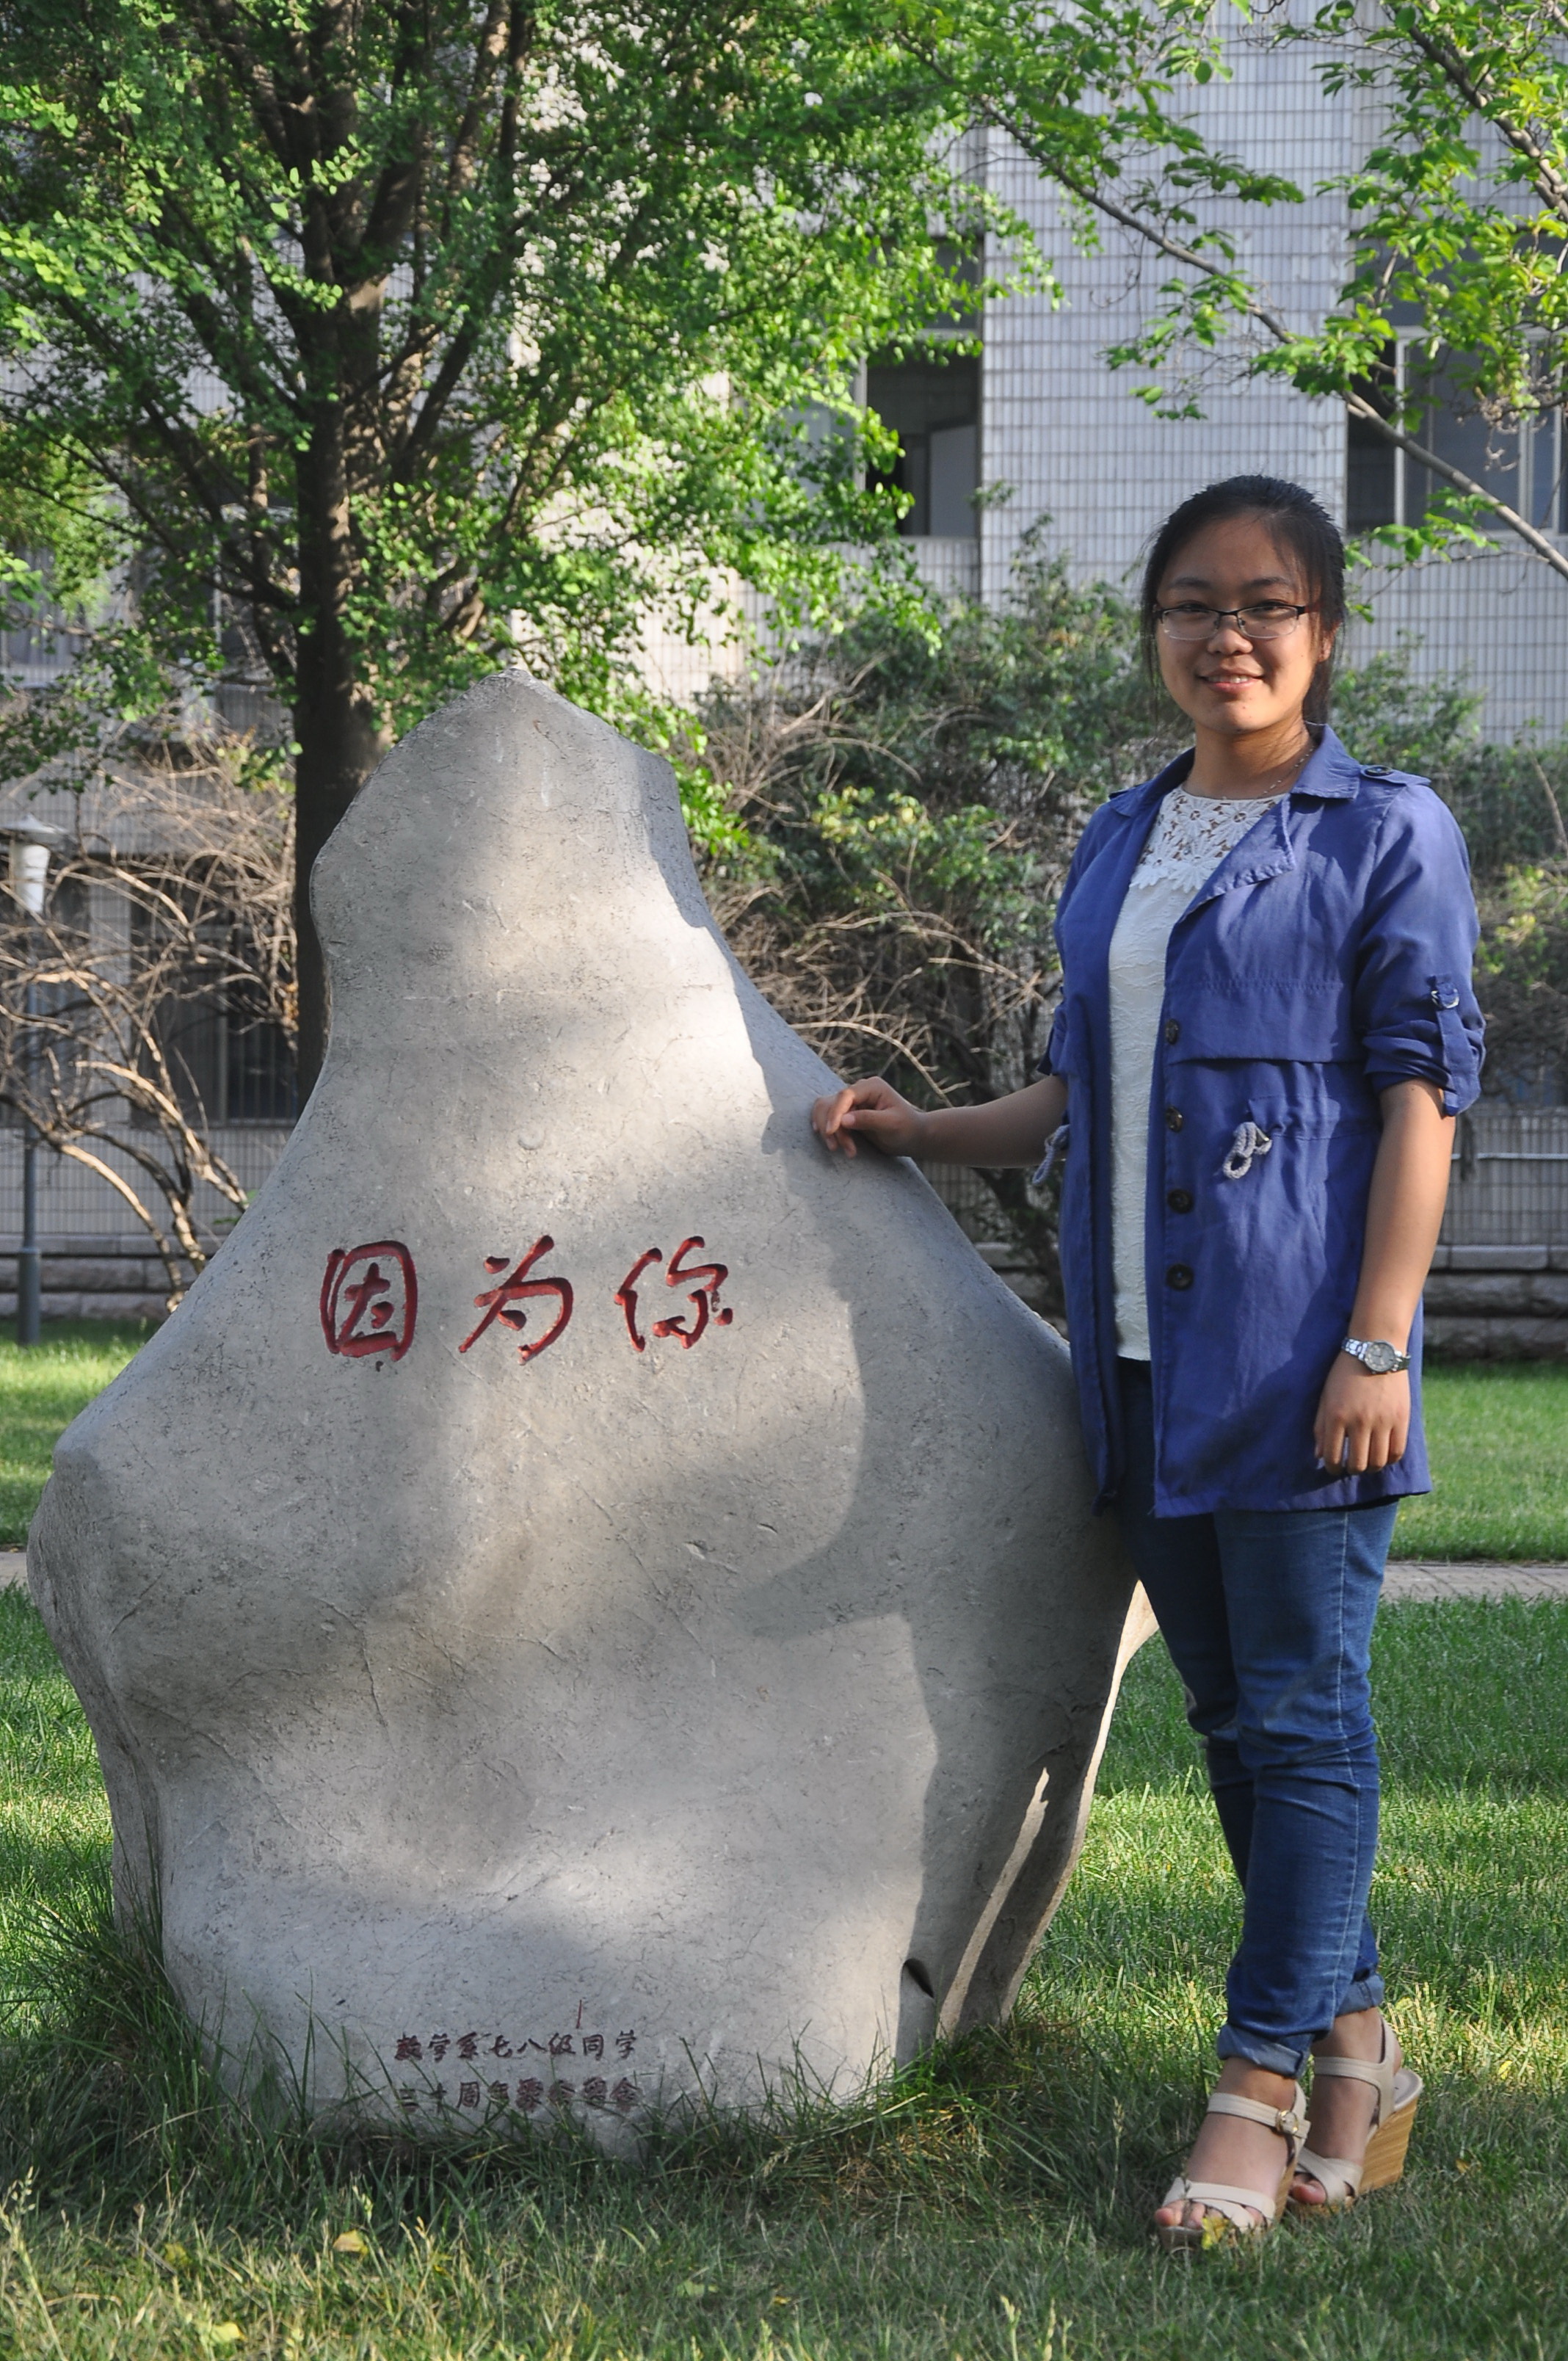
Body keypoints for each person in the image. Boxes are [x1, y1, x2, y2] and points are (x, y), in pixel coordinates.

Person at [810, 475, 1483, 2250]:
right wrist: (917, 1128)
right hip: (1133, 1363)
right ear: (1155, 633)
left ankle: (1254, 2091)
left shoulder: (1387, 833)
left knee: (1306, 1719)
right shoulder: (1123, 832)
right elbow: (1076, 1088)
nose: (1227, 635)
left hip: (1298, 1359)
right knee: (1237, 1725)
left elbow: (1423, 1102)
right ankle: (1359, 2054)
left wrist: (1379, 1339)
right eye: (1193, 603)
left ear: (1324, 633)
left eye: (1266, 604)